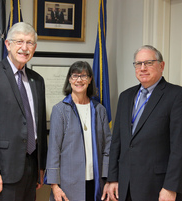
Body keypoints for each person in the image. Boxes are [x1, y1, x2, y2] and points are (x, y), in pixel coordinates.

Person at [102, 45, 182, 201]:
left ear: (162, 65)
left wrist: (171, 187)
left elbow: (179, 147)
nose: (143, 68)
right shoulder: (125, 96)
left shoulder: (176, 96)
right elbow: (117, 142)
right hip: (125, 187)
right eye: (138, 64)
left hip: (158, 187)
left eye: (149, 63)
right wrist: (112, 178)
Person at [0, 22, 47, 201]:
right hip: (3, 170)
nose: (24, 48)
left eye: (30, 43)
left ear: (34, 47)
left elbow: (39, 127)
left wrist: (41, 166)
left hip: (32, 168)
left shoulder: (37, 80)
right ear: (8, 44)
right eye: (19, 42)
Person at [45, 61, 111, 201]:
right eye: (75, 76)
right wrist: (54, 186)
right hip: (67, 186)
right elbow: (53, 151)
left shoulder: (100, 110)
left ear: (90, 79)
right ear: (69, 79)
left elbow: (108, 148)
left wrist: (107, 179)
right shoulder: (60, 110)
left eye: (84, 76)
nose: (79, 80)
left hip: (96, 182)